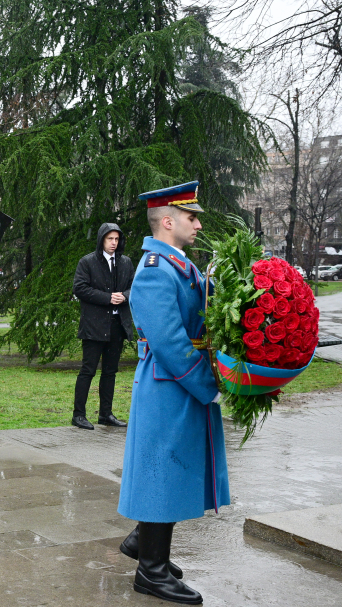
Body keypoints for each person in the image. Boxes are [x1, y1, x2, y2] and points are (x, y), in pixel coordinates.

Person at [117, 182, 229, 605]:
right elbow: (170, 343)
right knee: (162, 473)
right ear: (168, 221)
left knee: (171, 472)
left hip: (177, 388)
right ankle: (151, 571)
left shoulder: (179, 265)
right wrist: (208, 386)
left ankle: (143, 544)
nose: (197, 224)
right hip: (169, 387)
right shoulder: (153, 270)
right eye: (191, 217)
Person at [71, 223, 134, 430]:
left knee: (110, 371)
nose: (114, 243)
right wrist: (108, 298)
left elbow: (135, 288)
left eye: (116, 239)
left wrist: (123, 296)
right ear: (101, 240)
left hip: (117, 325)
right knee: (88, 370)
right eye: (110, 239)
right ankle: (78, 415)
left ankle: (105, 414)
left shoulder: (125, 262)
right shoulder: (87, 262)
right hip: (94, 325)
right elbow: (79, 288)